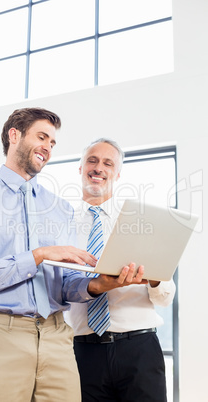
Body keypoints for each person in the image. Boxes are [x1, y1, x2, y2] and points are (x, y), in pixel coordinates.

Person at [0, 109, 146, 402]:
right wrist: (38, 255)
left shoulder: (60, 208)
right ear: (14, 135)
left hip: (57, 339)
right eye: (42, 137)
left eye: (52, 143)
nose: (48, 147)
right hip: (1, 337)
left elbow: (66, 284)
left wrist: (98, 285)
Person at [65, 138, 176, 402]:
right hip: (82, 352)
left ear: (117, 173)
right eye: (92, 160)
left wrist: (154, 280)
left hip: (139, 350)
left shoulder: (140, 223)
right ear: (80, 168)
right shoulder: (63, 224)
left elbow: (166, 297)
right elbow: (56, 289)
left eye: (107, 163)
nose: (98, 168)